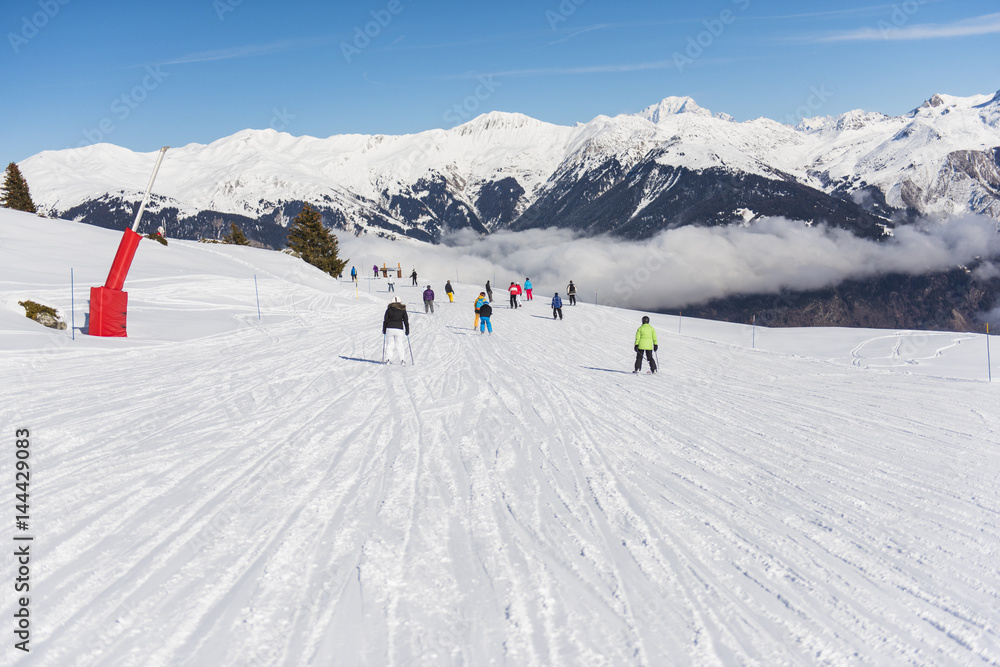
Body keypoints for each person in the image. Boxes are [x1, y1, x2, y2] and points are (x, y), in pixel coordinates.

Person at [382, 297, 410, 364]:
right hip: (399, 328)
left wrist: (384, 329)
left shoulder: (389, 309)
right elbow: (406, 321)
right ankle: (402, 360)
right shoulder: (402, 310)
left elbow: (385, 320)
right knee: (400, 344)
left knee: (390, 344)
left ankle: (388, 359)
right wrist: (407, 330)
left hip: (389, 328)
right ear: (400, 302)